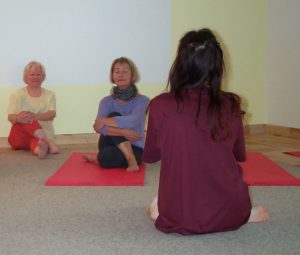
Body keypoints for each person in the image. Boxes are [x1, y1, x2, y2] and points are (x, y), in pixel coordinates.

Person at [143, 28, 270, 235]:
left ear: (180, 64)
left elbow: (151, 156)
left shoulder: (160, 105)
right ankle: (240, 213)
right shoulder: (231, 103)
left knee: (157, 205)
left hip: (180, 215)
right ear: (217, 65)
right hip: (233, 210)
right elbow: (238, 154)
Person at [82, 57, 149, 172]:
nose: (120, 74)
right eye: (117, 71)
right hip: (109, 144)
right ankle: (129, 158)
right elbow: (98, 127)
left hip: (135, 146)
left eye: (125, 71)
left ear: (132, 75)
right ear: (112, 75)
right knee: (114, 115)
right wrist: (123, 132)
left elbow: (132, 121)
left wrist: (103, 120)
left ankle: (103, 158)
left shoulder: (143, 100)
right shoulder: (106, 101)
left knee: (107, 158)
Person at [7, 61, 59, 159]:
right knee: (24, 114)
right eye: (32, 74)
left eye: (38, 74)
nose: (35, 77)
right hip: (19, 137)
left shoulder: (50, 94)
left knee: (36, 141)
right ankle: (49, 143)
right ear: (26, 77)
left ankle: (40, 150)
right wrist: (19, 118)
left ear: (43, 77)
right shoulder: (17, 94)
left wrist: (35, 116)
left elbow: (52, 114)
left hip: (40, 136)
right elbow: (10, 116)